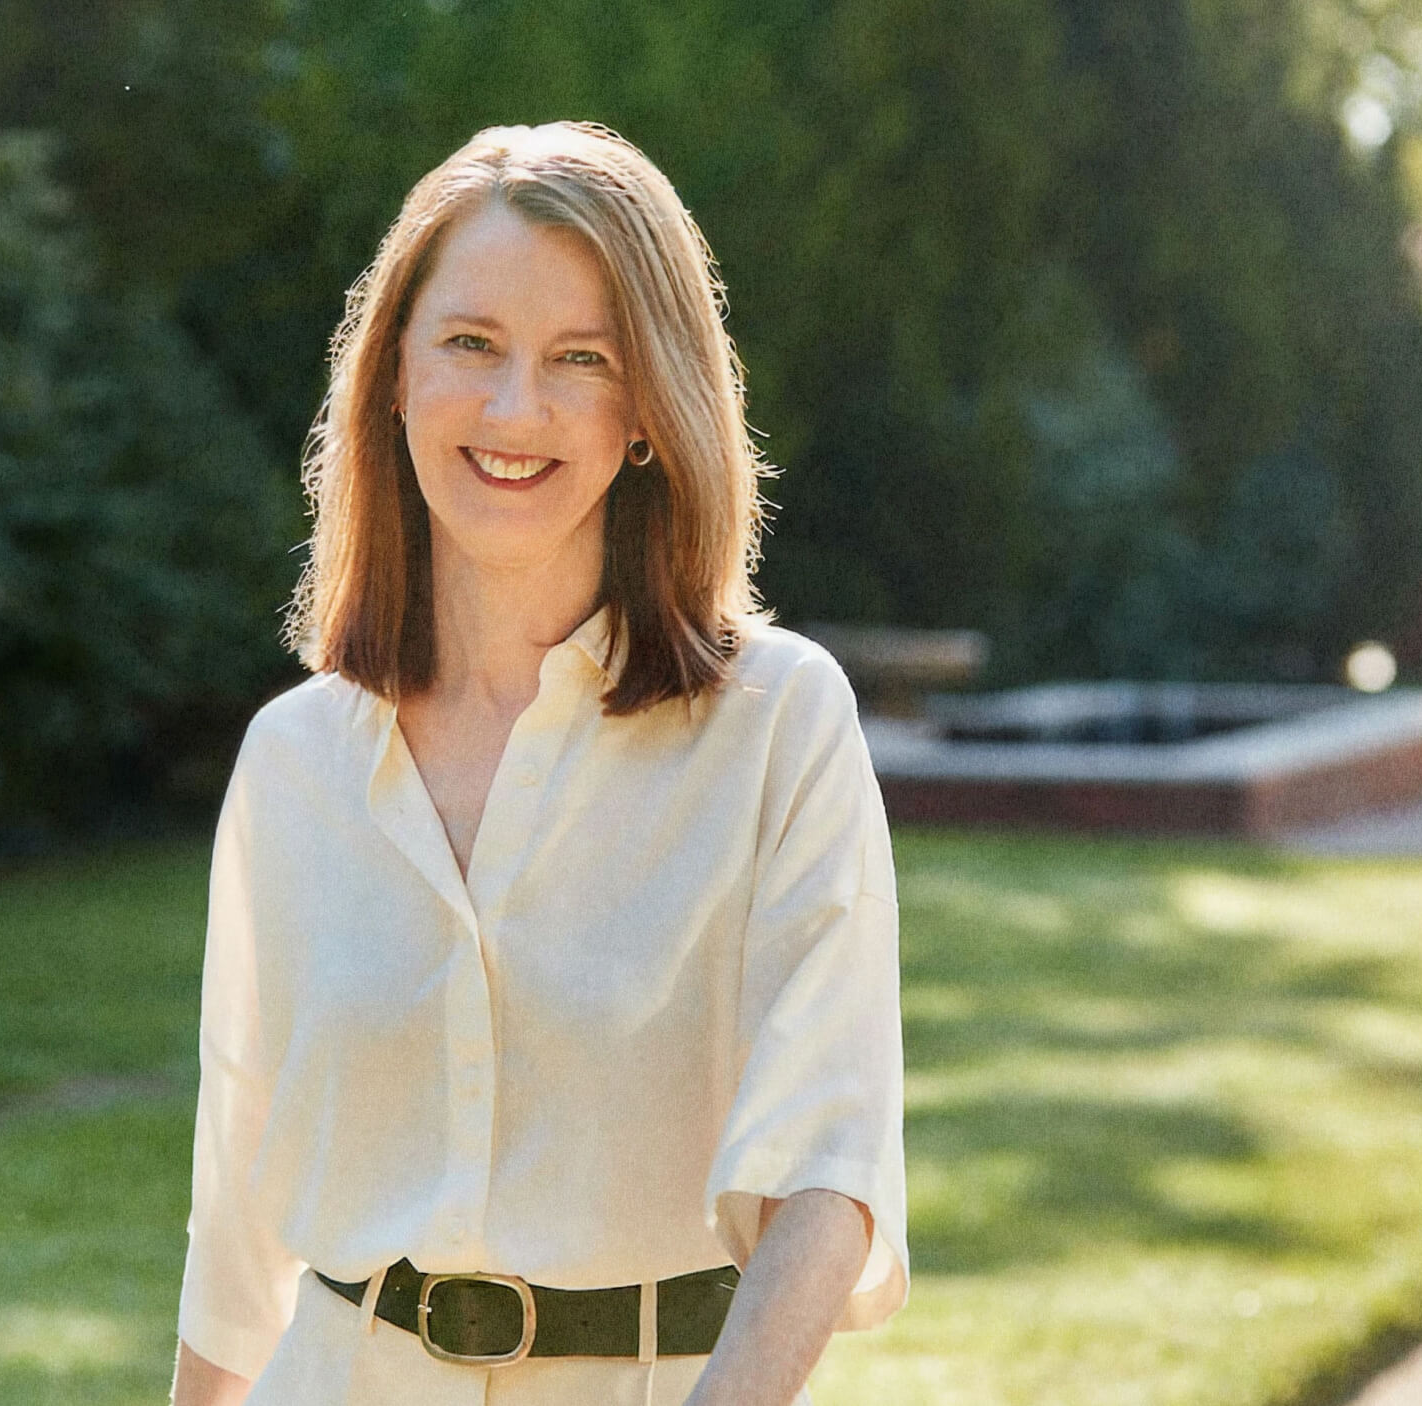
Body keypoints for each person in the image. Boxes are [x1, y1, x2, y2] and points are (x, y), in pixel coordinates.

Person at [170, 120, 908, 1406]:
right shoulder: (291, 759)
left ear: (646, 414)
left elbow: (829, 1171)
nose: (516, 409)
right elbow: (237, 1209)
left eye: (581, 359)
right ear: (392, 373)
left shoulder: (779, 723)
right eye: (470, 343)